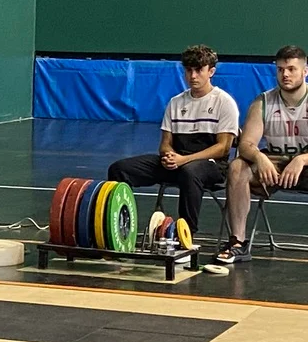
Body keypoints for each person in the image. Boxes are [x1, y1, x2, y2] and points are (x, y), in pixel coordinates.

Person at [107, 45, 239, 235]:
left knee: (190, 171)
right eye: (189, 70)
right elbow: (165, 143)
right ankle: (118, 227)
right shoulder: (175, 103)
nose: (193, 76)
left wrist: (184, 160)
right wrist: (169, 155)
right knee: (119, 169)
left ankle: (186, 234)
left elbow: (223, 148)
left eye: (198, 70)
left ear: (211, 72)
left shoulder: (224, 102)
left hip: (212, 166)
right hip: (177, 163)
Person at [216, 45, 308, 263]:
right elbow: (246, 144)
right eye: (280, 69)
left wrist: (302, 159)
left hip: (305, 163)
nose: (285, 74)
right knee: (237, 167)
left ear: (305, 71)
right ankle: (238, 243)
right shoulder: (263, 102)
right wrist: (259, 157)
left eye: (291, 69)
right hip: (274, 163)